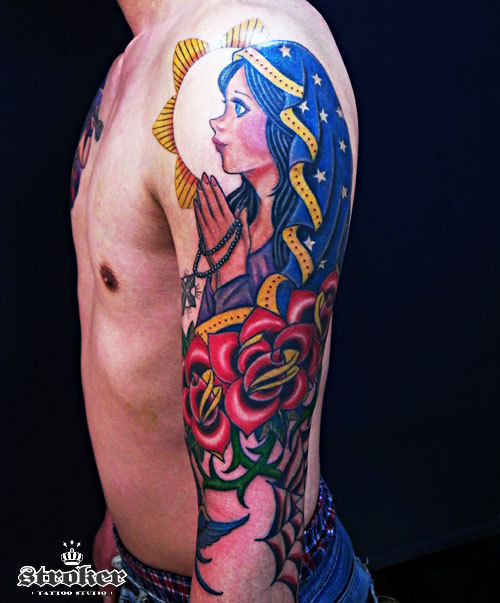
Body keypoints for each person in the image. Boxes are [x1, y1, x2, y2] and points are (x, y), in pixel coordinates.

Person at [71, 0, 376, 600]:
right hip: (144, 575)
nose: (217, 120)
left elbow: (256, 449)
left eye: (238, 107)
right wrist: (125, 523)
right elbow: (139, 333)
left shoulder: (238, 39)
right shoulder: (132, 65)